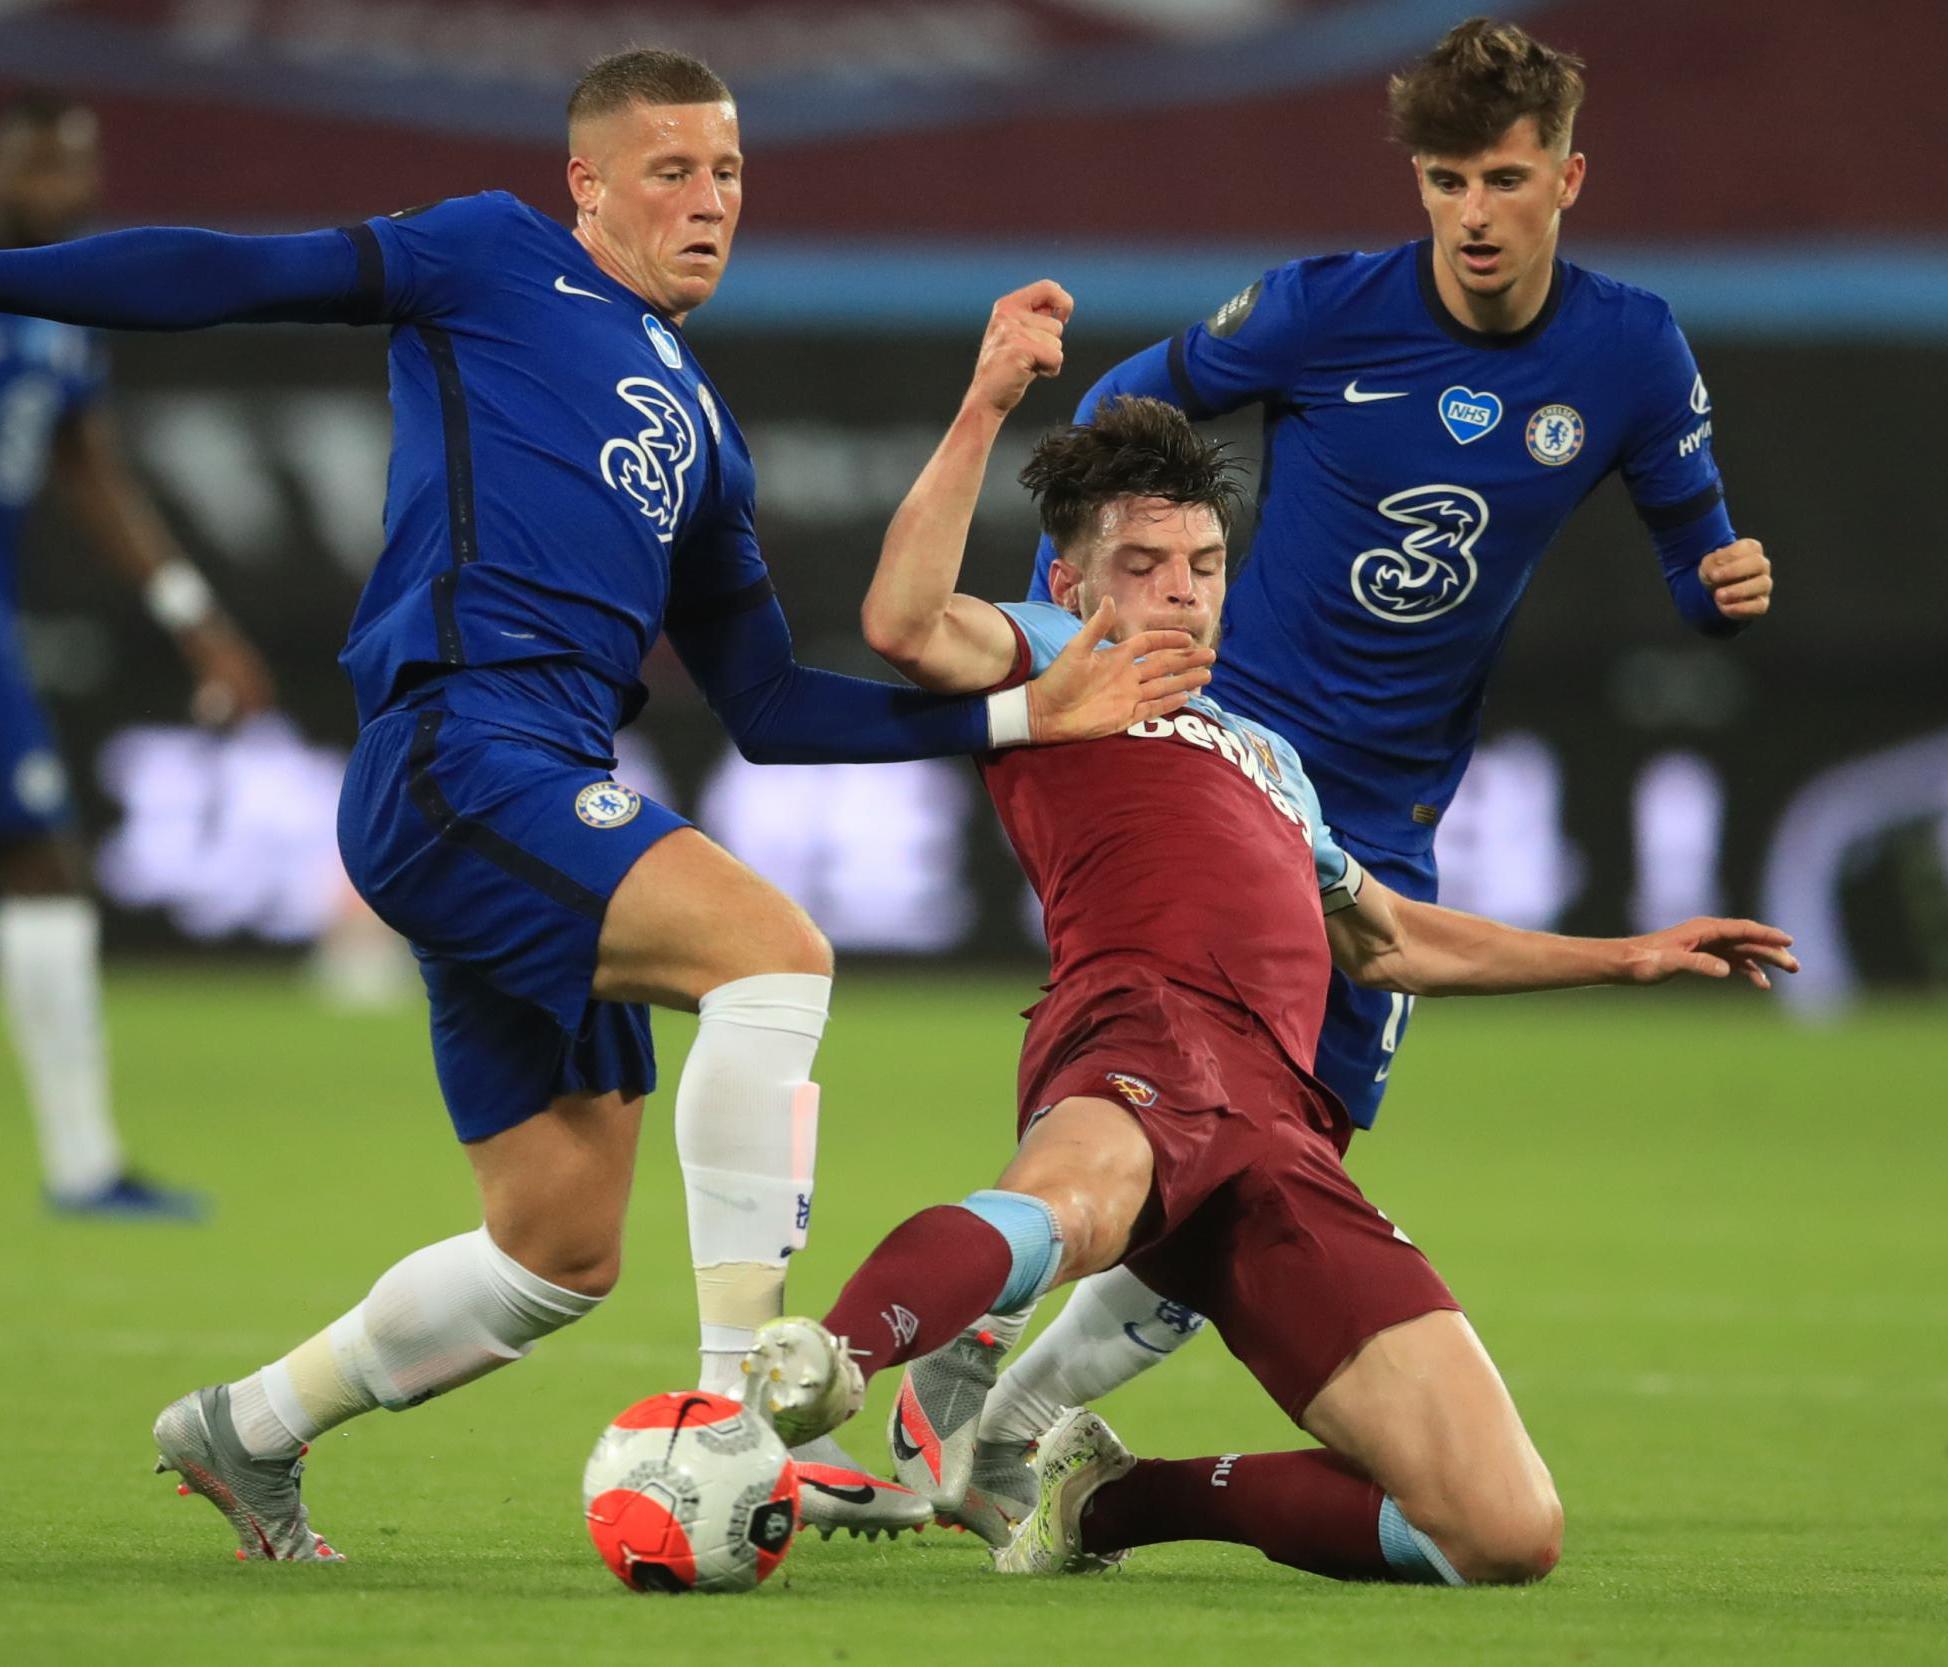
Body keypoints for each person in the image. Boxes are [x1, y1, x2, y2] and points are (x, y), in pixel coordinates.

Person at [0, 50, 1211, 1560]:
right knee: (773, 953)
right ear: (585, 183)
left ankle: (246, 1428)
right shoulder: (488, 255)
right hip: (458, 746)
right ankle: (738, 1413)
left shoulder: (701, 427)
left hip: (547, 776)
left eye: (729, 177)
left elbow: (769, 708)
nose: (708, 204)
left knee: (555, 1249)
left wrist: (1020, 711)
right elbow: (237, 272)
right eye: (671, 172)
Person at [726, 283, 1794, 1586]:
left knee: (1503, 1531)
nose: (1179, 593)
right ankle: (830, 1357)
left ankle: (1106, 1499)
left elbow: (1390, 941)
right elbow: (902, 621)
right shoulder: (1055, 660)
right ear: (1071, 581)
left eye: (1204, 565)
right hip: (1143, 1031)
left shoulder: (1270, 757)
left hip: (1279, 1126)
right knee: (1071, 1199)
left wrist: (1624, 954)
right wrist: (988, 400)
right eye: (1140, 566)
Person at [895, 14, 1782, 1529]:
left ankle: (1005, 1417)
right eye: (1445, 179)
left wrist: (1719, 580)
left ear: (1568, 175)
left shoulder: (1627, 350)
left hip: (1387, 806)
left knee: (1279, 1155)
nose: (1474, 214)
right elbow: (1130, 403)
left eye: (1504, 178)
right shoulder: (1321, 311)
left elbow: (1693, 537)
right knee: (1181, 1105)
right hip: (1222, 749)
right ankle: (962, 1394)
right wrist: (1116, 600)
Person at [0, 94, 275, 1219]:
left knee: (41, 865)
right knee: (39, 865)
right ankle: (82, 1164)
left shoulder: (61, 305)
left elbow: (89, 469)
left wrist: (190, 611)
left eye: (84, 156)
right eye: (43, 155)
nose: (74, 180)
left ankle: (84, 1165)